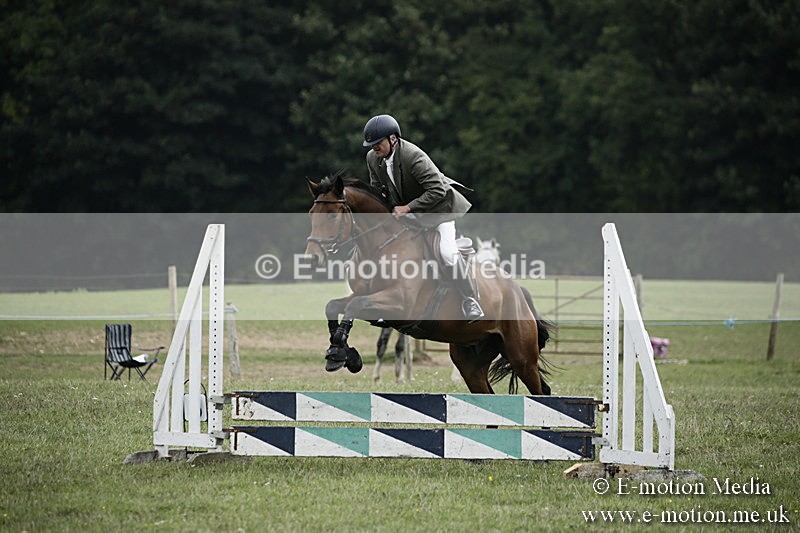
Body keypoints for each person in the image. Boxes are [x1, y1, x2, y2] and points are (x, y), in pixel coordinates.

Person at [362, 114, 484, 322]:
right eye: (371, 144)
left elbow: (437, 190)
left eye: (377, 143)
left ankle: (470, 300)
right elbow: (377, 190)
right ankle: (384, 303)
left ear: (392, 139)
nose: (374, 148)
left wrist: (407, 208)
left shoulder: (413, 156)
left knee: (447, 252)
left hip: (439, 209)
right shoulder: (373, 159)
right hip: (409, 214)